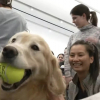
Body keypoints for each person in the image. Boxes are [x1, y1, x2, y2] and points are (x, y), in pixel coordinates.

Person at [64, 4, 100, 85]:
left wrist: (97, 42)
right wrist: (67, 75)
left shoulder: (98, 32)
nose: (73, 21)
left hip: (95, 78)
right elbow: (67, 56)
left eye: (75, 18)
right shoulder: (73, 36)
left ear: (84, 15)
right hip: (76, 79)